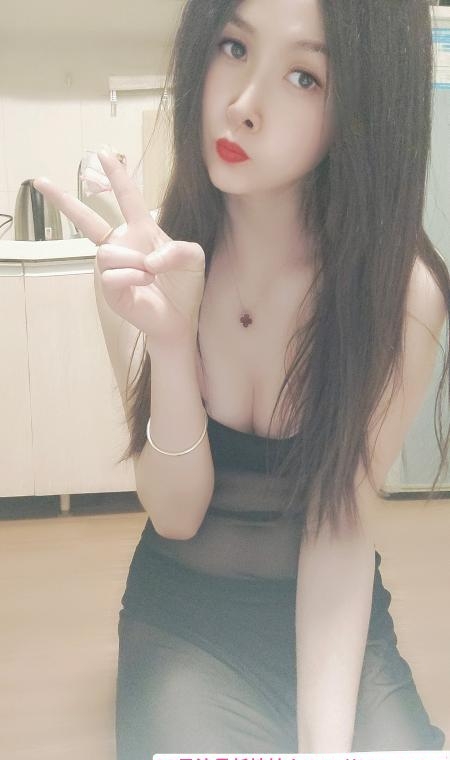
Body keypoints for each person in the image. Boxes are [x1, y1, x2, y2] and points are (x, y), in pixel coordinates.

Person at [34, 0, 450, 755]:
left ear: (365, 104)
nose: (244, 104)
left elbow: (339, 528)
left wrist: (323, 746)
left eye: (304, 76)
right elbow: (176, 514)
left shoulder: (400, 295)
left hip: (338, 621)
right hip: (187, 617)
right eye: (233, 46)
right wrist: (170, 342)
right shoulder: (148, 257)